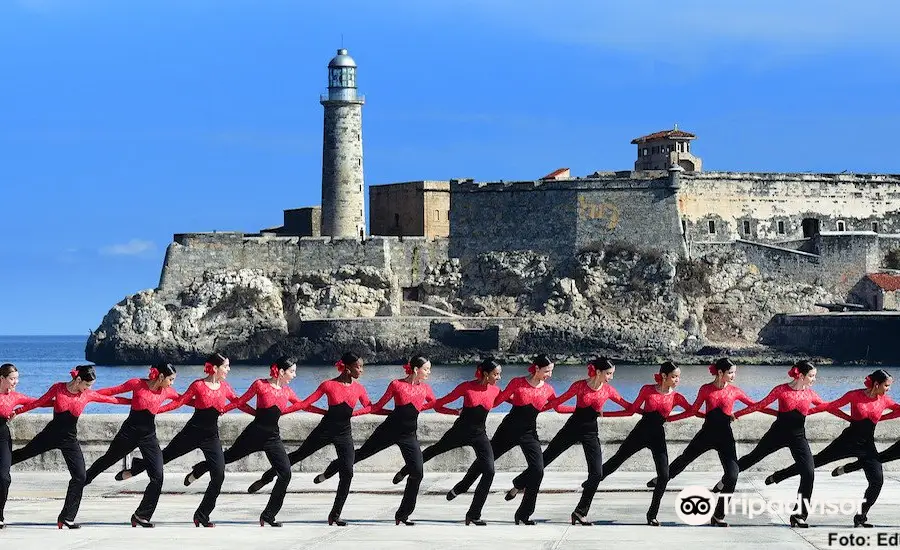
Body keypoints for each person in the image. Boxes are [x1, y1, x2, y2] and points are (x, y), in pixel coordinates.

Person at [117, 352, 254, 527]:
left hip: (211, 436)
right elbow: (179, 402)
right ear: (215, 368)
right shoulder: (198, 385)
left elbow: (238, 402)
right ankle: (137, 470)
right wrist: (155, 410)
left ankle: (202, 515)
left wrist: (256, 413)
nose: (228, 369)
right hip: (191, 432)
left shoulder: (225, 387)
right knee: (164, 457)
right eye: (226, 366)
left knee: (219, 475)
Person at [313, 355, 445, 525]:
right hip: (387, 431)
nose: (429, 372)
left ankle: (402, 515)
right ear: (415, 369)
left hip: (409, 435)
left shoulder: (425, 389)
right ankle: (332, 468)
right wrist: (352, 414)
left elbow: (434, 404)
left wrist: (456, 410)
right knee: (359, 456)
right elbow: (377, 406)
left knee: (418, 473)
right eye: (426, 369)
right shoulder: (396, 384)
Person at [247, 352, 371, 527]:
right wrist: (281, 412)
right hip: (324, 430)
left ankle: (335, 516)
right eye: (358, 367)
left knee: (348, 472)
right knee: (298, 455)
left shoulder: (359, 388)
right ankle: (267, 477)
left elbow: (370, 406)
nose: (361, 370)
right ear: (347, 367)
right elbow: (304, 404)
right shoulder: (328, 385)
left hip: (344, 433)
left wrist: (356, 414)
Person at [506, 357, 632, 525]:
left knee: (596, 474)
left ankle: (580, 512)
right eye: (609, 373)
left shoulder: (608, 390)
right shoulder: (579, 386)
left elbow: (629, 408)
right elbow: (558, 403)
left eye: (612, 374)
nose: (611, 377)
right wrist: (530, 408)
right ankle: (519, 484)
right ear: (599, 372)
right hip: (571, 429)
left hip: (590, 432)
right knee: (545, 459)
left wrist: (610, 414)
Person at [767, 369, 900, 528]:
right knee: (814, 462)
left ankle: (861, 516)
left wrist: (883, 418)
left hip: (867, 446)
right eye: (886, 385)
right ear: (876, 384)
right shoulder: (854, 395)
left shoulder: (884, 400)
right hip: (846, 442)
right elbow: (830, 405)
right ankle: (780, 475)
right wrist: (806, 412)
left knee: (877, 481)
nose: (888, 389)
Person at [185, 356, 303, 527]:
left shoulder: (287, 392)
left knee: (286, 474)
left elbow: (303, 405)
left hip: (272, 438)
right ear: (282, 371)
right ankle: (202, 469)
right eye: (292, 371)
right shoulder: (260, 384)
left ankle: (268, 515)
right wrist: (222, 409)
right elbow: (240, 401)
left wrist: (325, 412)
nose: (294, 375)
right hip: (252, 435)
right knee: (226, 459)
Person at [448, 354, 559, 525]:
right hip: (508, 430)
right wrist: (470, 409)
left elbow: (557, 406)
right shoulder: (517, 382)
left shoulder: (549, 390)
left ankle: (523, 515)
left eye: (551, 371)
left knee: (538, 470)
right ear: (536, 369)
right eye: (547, 371)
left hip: (529, 433)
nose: (550, 374)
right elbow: (496, 400)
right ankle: (463, 486)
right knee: (484, 463)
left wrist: (583, 409)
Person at [12, 365, 127, 529]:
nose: (88, 389)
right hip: (49, 435)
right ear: (78, 380)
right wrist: (18, 411)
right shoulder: (58, 388)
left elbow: (114, 400)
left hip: (69, 440)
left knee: (80, 477)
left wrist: (135, 402)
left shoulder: (87, 395)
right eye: (87, 385)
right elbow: (39, 402)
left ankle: (66, 518)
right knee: (22, 454)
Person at [391, 357, 503, 526]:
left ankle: (473, 514)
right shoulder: (466, 387)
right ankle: (406, 469)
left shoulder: (495, 391)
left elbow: (513, 398)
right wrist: (417, 407)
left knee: (489, 471)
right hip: (459, 432)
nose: (499, 378)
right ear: (486, 374)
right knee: (434, 450)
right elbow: (440, 403)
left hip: (480, 434)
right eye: (496, 374)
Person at [721, 360, 830, 527]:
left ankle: (799, 515)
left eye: (815, 376)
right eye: (811, 376)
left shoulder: (810, 394)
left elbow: (828, 407)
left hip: (798, 437)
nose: (814, 379)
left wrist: (853, 416)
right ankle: (726, 478)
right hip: (777, 434)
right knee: (753, 457)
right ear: (800, 375)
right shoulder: (781, 390)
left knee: (809, 473)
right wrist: (738, 413)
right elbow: (760, 405)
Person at [650, 358, 756, 527]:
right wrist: (670, 418)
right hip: (706, 434)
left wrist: (738, 413)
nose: (733, 376)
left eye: (734, 372)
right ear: (720, 373)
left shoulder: (735, 391)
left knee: (732, 475)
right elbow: (693, 410)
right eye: (730, 372)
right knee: (684, 459)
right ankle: (662, 478)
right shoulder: (706, 389)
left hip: (725, 437)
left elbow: (754, 405)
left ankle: (718, 516)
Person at [85, 363, 180, 527]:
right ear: (161, 377)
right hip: (129, 433)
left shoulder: (167, 391)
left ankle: (141, 516)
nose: (172, 383)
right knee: (107, 460)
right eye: (170, 379)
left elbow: (183, 399)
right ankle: (82, 480)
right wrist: (87, 395)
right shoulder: (137, 384)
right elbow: (112, 391)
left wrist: (214, 405)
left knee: (158, 477)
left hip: (149, 436)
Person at [598, 361, 691, 526]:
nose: (677, 380)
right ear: (664, 376)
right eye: (674, 376)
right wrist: (605, 414)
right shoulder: (647, 389)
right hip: (640, 432)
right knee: (616, 460)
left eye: (679, 377)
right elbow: (632, 409)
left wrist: (672, 418)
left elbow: (692, 410)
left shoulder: (676, 397)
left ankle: (652, 515)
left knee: (664, 476)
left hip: (658, 437)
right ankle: (593, 481)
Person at [0, 363, 35, 529]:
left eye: (17, 379)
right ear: (2, 378)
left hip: (2, 437)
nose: (15, 382)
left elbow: (37, 402)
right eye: (12, 379)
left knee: (4, 478)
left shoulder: (14, 397)